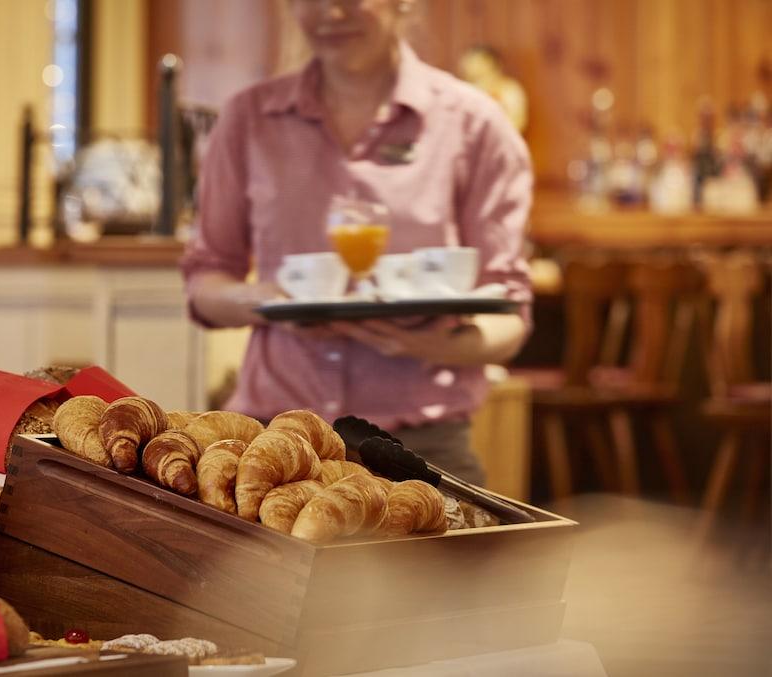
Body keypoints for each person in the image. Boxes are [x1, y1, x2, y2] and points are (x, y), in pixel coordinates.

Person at [180, 0, 533, 486]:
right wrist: (259, 299)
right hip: (273, 447)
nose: (330, 13)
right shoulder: (249, 119)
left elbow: (509, 316)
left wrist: (437, 345)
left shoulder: (475, 126)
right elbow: (205, 283)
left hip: (421, 456)